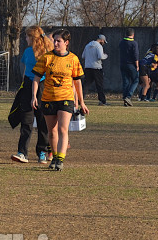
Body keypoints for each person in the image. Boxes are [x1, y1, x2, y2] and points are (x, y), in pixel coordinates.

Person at [31, 29, 89, 171]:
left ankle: (60, 160)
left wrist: (81, 101)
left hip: (66, 99)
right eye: (54, 40)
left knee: (63, 129)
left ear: (66, 43)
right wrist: (34, 96)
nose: (55, 43)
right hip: (48, 99)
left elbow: (77, 82)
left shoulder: (73, 59)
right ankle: (55, 156)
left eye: (59, 41)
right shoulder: (47, 57)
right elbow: (36, 78)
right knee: (52, 131)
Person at [10, 26, 53, 164]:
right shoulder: (27, 52)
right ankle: (22, 152)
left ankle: (42, 152)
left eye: (27, 36)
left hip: (44, 87)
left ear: (33, 38)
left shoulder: (48, 52)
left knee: (42, 121)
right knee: (26, 121)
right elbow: (26, 71)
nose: (25, 38)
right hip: (28, 86)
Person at [81, 34, 109, 106]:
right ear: (102, 40)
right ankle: (102, 101)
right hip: (97, 68)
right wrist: (105, 56)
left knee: (86, 85)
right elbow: (100, 56)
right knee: (99, 85)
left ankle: (79, 99)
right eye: (104, 42)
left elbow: (83, 56)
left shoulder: (87, 45)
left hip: (88, 67)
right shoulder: (98, 46)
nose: (103, 44)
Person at [119, 28, 139, 107]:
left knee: (126, 82)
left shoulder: (121, 42)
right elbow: (135, 55)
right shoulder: (134, 43)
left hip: (122, 64)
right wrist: (137, 65)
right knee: (136, 80)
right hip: (131, 64)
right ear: (133, 35)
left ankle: (125, 98)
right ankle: (128, 96)